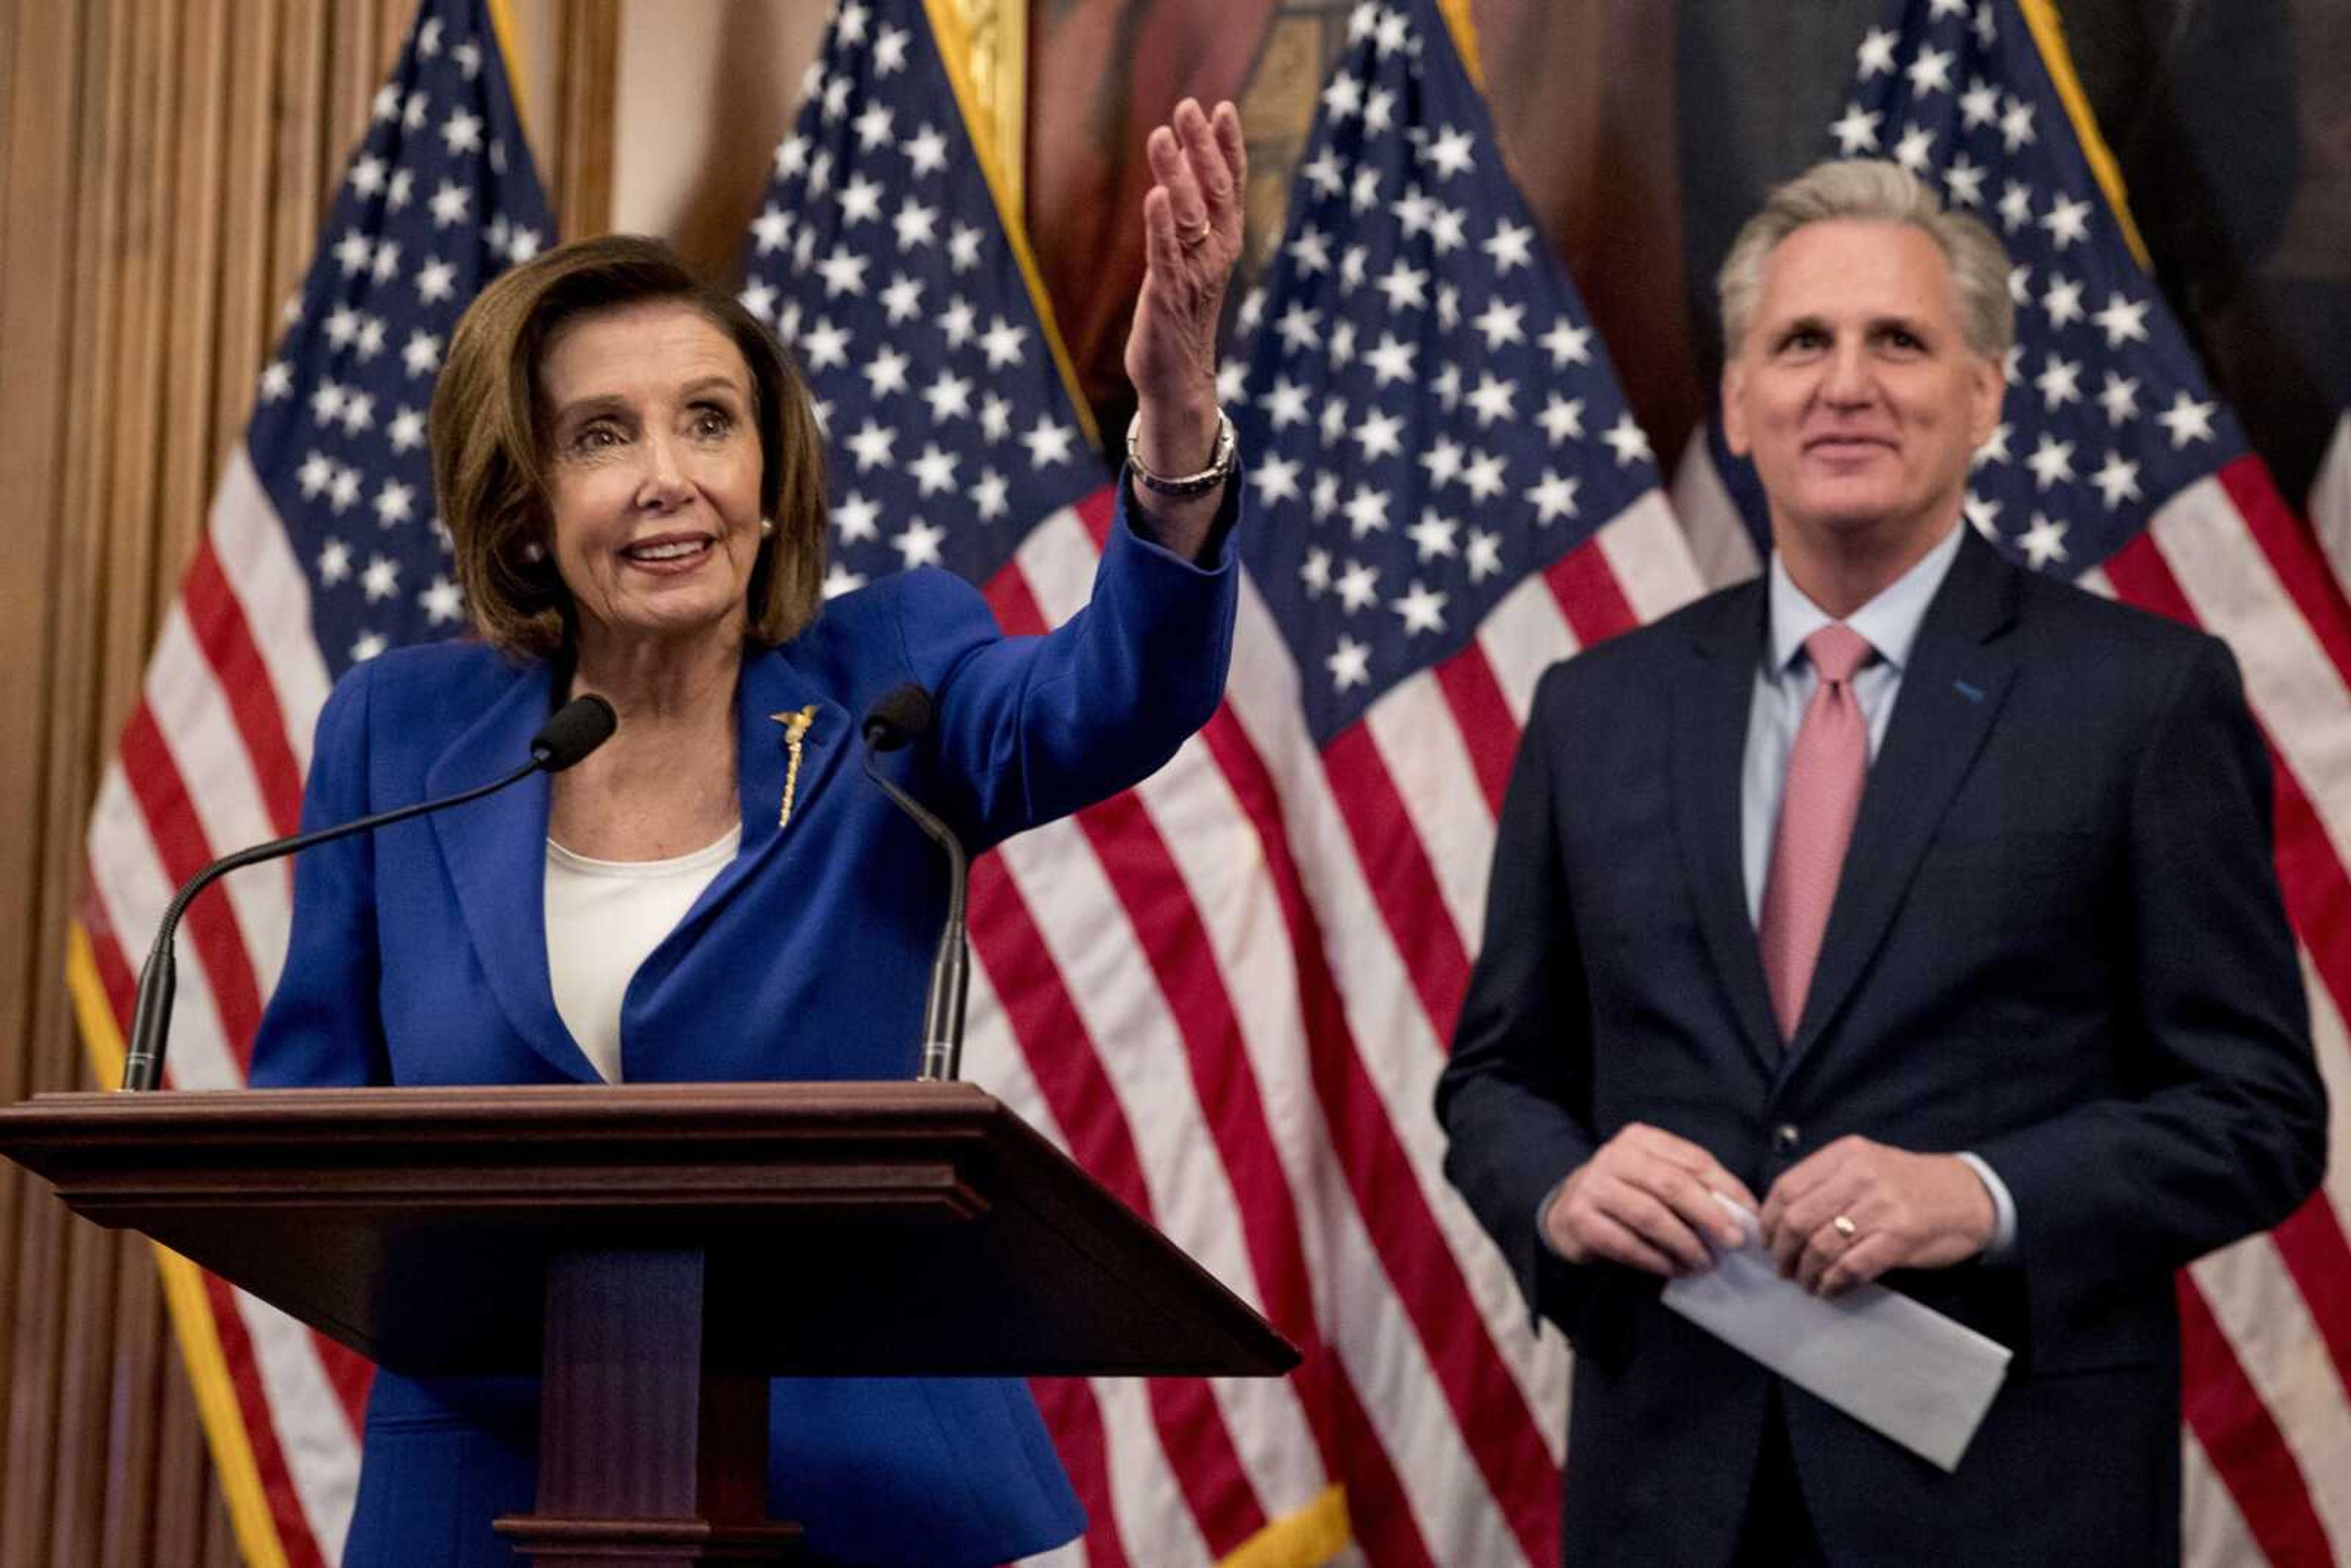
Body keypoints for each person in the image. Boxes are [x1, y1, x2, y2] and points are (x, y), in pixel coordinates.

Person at [250, 99, 1250, 1568]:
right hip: (483, 1494)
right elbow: (308, 1161)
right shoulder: (400, 737)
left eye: (710, 421)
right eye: (604, 435)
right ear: (524, 509)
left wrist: (1170, 423)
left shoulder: (890, 678)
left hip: (869, 1492)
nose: (670, 473)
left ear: (770, 482)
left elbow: (1117, 694)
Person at [1434, 158, 2327, 1567]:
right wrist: (1558, 1189)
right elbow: (1495, 1079)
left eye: (1898, 341)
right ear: (1738, 400)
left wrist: (1981, 1192)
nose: (1845, 383)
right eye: (1801, 343)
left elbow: (2260, 1114)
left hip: (2013, 1500)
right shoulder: (1595, 709)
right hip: (1672, 1494)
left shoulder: (2143, 700)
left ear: (1984, 395)